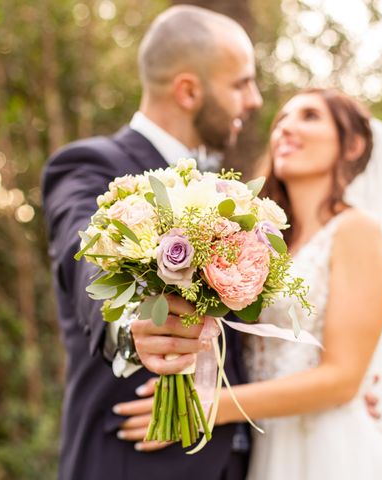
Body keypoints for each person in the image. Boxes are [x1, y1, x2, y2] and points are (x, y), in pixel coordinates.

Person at [119, 88, 382, 479]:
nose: (285, 128)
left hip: (332, 451)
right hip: (267, 446)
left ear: (352, 145)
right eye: (281, 119)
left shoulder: (356, 229)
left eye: (310, 116)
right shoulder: (261, 244)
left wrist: (209, 406)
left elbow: (341, 380)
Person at [41, 6, 262, 480]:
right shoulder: (88, 166)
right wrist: (130, 323)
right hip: (128, 462)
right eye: (241, 84)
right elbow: (84, 256)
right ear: (188, 91)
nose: (255, 99)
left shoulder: (228, 195)